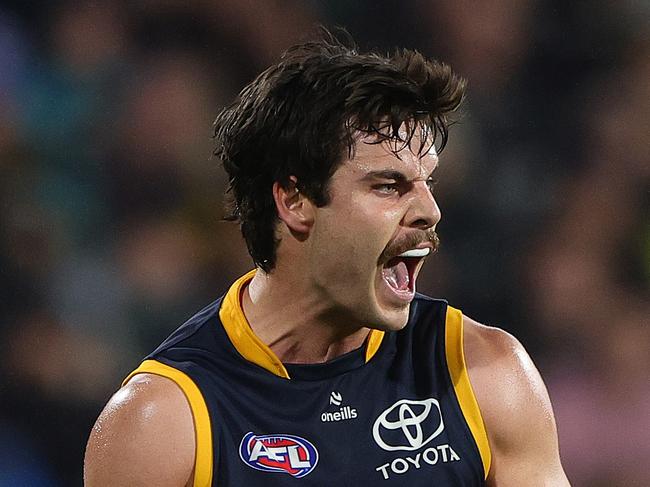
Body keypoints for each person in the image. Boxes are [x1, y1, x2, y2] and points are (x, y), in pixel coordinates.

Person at [84, 31, 570, 486]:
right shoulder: (164, 420)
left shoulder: (483, 371)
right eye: (388, 186)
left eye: (428, 183)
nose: (429, 211)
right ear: (294, 201)